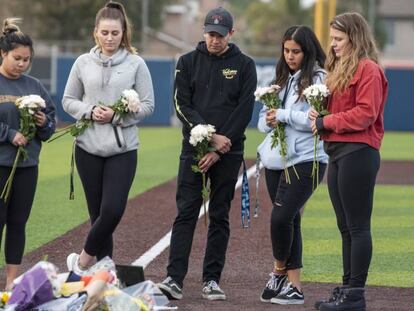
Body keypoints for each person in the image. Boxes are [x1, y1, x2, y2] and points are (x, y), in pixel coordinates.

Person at [157, 7, 257, 301]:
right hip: (193, 151)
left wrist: (221, 145)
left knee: (219, 215)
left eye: (220, 35)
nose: (215, 39)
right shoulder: (187, 62)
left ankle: (212, 279)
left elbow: (244, 110)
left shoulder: (245, 65)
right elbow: (181, 104)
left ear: (231, 34)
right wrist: (208, 138)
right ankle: (174, 278)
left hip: (229, 151)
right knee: (186, 212)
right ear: (204, 32)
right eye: (211, 34)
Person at [62, 1, 154, 274]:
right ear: (95, 33)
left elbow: (148, 105)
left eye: (115, 33)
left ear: (123, 32)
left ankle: (81, 262)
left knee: (112, 211)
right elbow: (68, 100)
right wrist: (90, 111)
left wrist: (115, 116)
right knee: (97, 217)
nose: (110, 38)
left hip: (122, 150)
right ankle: (106, 276)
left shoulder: (136, 64)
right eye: (105, 33)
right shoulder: (82, 63)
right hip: (87, 149)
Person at [309, 12, 388, 311]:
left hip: (359, 152)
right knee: (345, 227)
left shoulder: (369, 70)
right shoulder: (339, 67)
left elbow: (366, 113)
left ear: (355, 38)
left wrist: (327, 120)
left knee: (357, 227)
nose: (334, 44)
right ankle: (347, 290)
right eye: (332, 38)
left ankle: (356, 295)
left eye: (339, 39)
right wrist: (318, 112)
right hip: (339, 152)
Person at [257, 26, 328, 305]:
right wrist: (270, 116)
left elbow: (315, 121)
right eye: (286, 51)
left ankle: (278, 272)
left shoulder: (321, 79)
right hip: (277, 160)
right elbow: (263, 122)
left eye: (295, 51)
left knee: (281, 218)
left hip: (308, 159)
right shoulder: (284, 79)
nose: (289, 56)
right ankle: (294, 288)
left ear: (307, 51)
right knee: (292, 220)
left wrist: (283, 114)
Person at [0, 18, 56, 289]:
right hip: (0, 166)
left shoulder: (35, 86)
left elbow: (51, 122)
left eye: (26, 60)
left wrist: (44, 123)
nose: (21, 64)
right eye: (16, 58)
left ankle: (11, 282)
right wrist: (9, 134)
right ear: (3, 54)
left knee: (18, 223)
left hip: (27, 167)